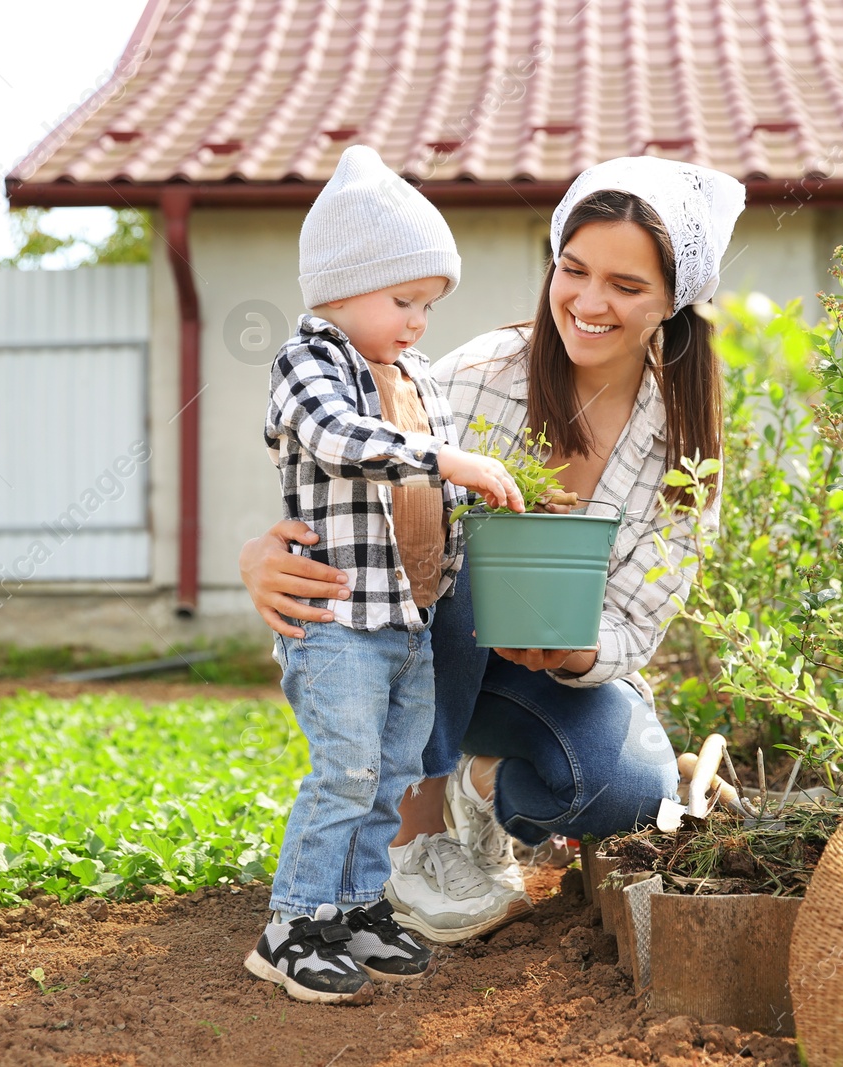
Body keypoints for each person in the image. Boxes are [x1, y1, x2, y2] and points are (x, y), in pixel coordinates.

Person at [241, 155, 746, 944]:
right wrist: (260, 553)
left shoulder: (686, 447)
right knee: (476, 535)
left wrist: (575, 651)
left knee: (631, 789)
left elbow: (642, 614)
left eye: (626, 285)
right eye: (573, 270)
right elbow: (353, 471)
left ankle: (479, 787)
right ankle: (411, 837)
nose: (589, 301)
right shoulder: (476, 377)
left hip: (549, 677)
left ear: (672, 303)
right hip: (433, 652)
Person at [244, 145, 524, 1005]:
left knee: (394, 772)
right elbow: (339, 440)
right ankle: (293, 925)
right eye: (404, 300)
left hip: (407, 622)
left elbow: (438, 503)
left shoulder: (419, 381)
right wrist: (447, 457)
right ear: (339, 287)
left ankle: (358, 905)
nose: (418, 322)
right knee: (346, 769)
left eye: (428, 305)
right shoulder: (309, 365)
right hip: (338, 626)